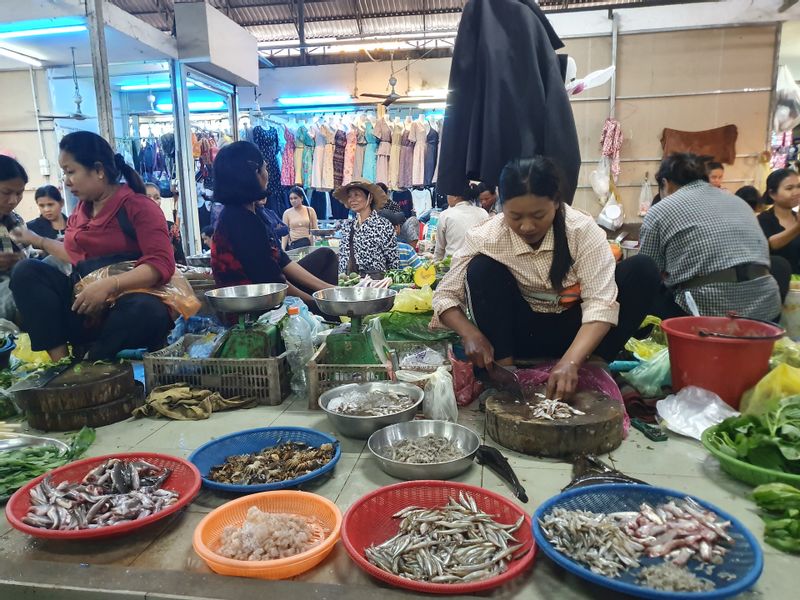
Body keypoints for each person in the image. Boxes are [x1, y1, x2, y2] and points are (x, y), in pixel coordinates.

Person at [432, 156, 660, 399]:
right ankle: (505, 373)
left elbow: (600, 303)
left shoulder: (581, 230)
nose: (527, 227)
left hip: (577, 334)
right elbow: (445, 296)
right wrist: (470, 333)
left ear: (557, 203)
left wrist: (572, 362)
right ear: (501, 206)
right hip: (521, 334)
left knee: (642, 270)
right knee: (481, 268)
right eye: (515, 217)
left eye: (538, 215)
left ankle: (592, 368)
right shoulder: (487, 236)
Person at [9, 131, 175, 361]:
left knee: (145, 309)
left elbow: (161, 264)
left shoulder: (138, 206)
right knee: (27, 271)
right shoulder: (81, 210)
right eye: (65, 173)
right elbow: (74, 255)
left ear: (98, 170)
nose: (66, 181)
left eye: (71, 171)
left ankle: (91, 362)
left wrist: (110, 285)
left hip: (128, 311)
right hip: (86, 308)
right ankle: (62, 365)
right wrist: (38, 241)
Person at [639, 153, 781, 320]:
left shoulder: (660, 210)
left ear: (665, 183)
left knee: (640, 281)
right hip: (767, 308)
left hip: (708, 312)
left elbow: (647, 270)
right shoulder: (737, 202)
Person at [210, 141, 337, 309]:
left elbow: (282, 261)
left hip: (272, 286)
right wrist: (318, 304)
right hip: (255, 304)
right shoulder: (240, 222)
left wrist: (331, 291)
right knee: (323, 307)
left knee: (325, 256)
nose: (267, 174)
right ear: (255, 172)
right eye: (265, 168)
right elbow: (274, 283)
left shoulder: (254, 212)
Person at [334, 179, 398, 276]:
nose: (352, 199)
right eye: (350, 196)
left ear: (370, 197)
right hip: (350, 284)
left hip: (375, 286)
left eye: (357, 195)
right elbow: (343, 260)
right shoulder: (347, 226)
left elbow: (393, 262)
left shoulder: (383, 225)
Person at [0, 155, 29, 322]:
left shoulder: (12, 220)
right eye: (6, 192)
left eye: (19, 193)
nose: (13, 200)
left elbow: (25, 258)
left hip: (15, 284)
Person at [757, 169, 800, 273]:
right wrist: (798, 227)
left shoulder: (796, 217)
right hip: (777, 281)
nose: (797, 192)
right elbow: (771, 244)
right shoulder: (763, 220)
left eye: (798, 186)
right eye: (789, 188)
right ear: (772, 194)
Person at [433, 187, 489, 261]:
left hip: (452, 265)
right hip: (477, 265)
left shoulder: (445, 215)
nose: (447, 197)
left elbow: (440, 249)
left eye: (448, 194)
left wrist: (436, 263)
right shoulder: (483, 213)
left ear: (455, 196)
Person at [144, 182, 186, 265]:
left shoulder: (172, 228)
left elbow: (181, 261)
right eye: (148, 197)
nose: (153, 201)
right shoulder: (132, 228)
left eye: (157, 198)